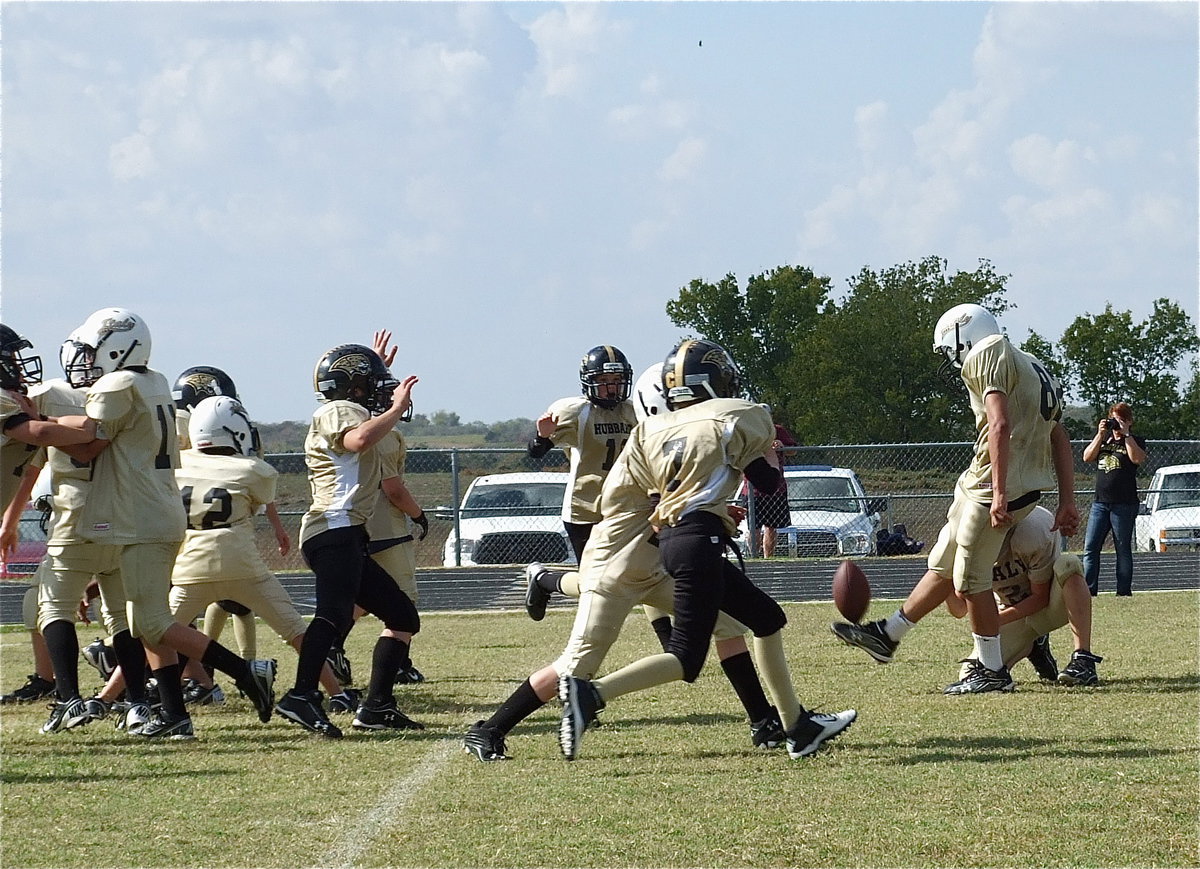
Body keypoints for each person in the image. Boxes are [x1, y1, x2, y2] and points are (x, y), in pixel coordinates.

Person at [464, 365, 788, 762]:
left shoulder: (662, 441)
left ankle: (762, 720)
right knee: (577, 662)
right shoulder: (648, 447)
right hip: (617, 568)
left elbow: (682, 501)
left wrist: (714, 509)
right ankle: (490, 728)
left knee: (729, 625)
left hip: (652, 565)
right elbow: (662, 509)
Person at [556, 339, 856, 761]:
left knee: (767, 618)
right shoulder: (734, 419)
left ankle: (797, 727)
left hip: (674, 539)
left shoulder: (654, 429)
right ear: (713, 381)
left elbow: (618, 496)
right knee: (686, 657)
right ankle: (591, 694)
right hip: (699, 543)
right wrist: (768, 456)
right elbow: (769, 486)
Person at [832, 303, 1079, 694]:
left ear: (961, 337)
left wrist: (997, 492)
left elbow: (999, 423)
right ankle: (887, 634)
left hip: (993, 484)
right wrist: (1067, 498)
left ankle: (992, 672)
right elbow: (1058, 435)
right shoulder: (1030, 361)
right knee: (944, 558)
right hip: (1004, 482)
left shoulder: (987, 352)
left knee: (971, 578)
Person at [60, 307, 277, 738]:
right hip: (154, 511)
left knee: (152, 623)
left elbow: (87, 445)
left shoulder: (118, 383)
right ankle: (176, 714)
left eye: (93, 349)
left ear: (117, 348)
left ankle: (246, 672)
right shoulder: (153, 380)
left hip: (141, 518)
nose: (87, 359)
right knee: (145, 621)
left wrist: (35, 425)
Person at [275, 342, 423, 738]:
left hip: (347, 532)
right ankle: (301, 695)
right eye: (372, 383)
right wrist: (392, 408)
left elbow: (361, 430)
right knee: (333, 614)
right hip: (332, 528)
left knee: (402, 616)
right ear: (354, 389)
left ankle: (376, 706)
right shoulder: (336, 410)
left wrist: (373, 366)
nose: (382, 389)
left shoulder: (349, 407)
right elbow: (358, 440)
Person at [167, 396, 345, 705]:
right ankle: (338, 694)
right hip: (241, 565)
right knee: (296, 632)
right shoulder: (253, 469)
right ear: (234, 430)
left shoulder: (178, 466)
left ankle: (114, 696)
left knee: (156, 633)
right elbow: (258, 499)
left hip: (190, 566)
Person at [523, 345, 637, 620]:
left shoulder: (634, 412)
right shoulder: (577, 412)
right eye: (604, 381)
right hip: (585, 507)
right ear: (589, 382)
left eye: (616, 381)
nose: (611, 388)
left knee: (638, 573)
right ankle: (542, 580)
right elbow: (535, 453)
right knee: (593, 583)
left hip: (625, 506)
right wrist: (542, 437)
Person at [944, 505, 1103, 686]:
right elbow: (959, 609)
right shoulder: (966, 540)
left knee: (1069, 564)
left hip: (1051, 605)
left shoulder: (1032, 529)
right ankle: (1034, 646)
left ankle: (1083, 658)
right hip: (1010, 613)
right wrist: (944, 572)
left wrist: (992, 621)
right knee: (969, 675)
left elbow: (1040, 597)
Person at [1081, 402, 1147, 596]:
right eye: (1114, 418)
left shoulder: (1135, 440)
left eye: (1121, 419)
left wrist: (1125, 434)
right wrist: (1101, 434)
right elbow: (1086, 457)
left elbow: (1137, 459)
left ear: (1129, 421)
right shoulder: (1104, 440)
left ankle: (1123, 591)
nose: (1117, 423)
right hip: (1100, 503)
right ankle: (1089, 590)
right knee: (1091, 547)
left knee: (1122, 547)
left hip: (1124, 504)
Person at [749, 419, 797, 557]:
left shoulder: (777, 430)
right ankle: (753, 556)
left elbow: (793, 450)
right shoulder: (749, 428)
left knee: (771, 527)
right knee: (754, 527)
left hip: (775, 488)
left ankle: (767, 558)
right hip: (753, 488)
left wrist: (782, 446)